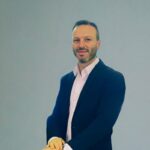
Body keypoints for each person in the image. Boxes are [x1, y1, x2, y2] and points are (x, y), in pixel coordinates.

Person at [43, 20, 126, 150]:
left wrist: (69, 148)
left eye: (87, 39)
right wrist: (54, 140)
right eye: (76, 40)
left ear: (98, 44)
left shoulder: (113, 79)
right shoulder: (66, 80)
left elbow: (103, 123)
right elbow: (55, 118)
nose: (81, 45)